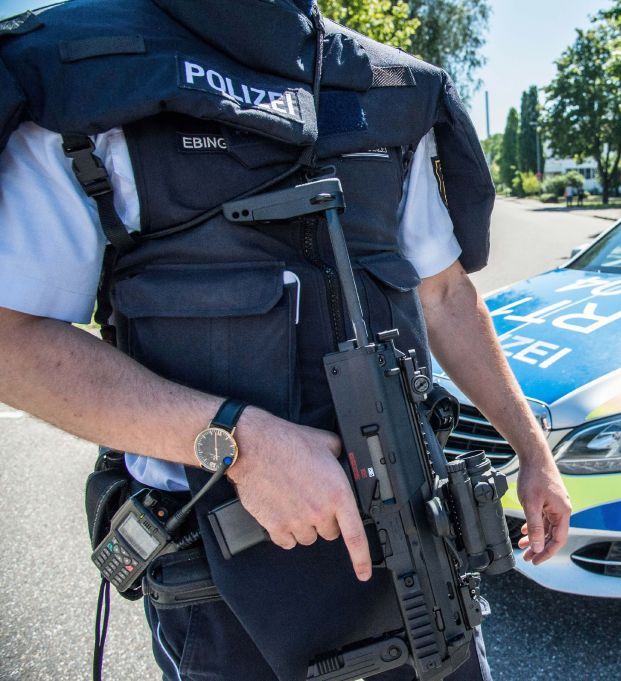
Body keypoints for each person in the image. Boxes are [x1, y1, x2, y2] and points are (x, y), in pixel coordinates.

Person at [0, 1, 571, 680]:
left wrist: (533, 450)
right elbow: (12, 341)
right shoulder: (80, 74)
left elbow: (444, 294)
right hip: (227, 590)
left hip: (416, 551)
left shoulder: (389, 90)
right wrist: (239, 446)